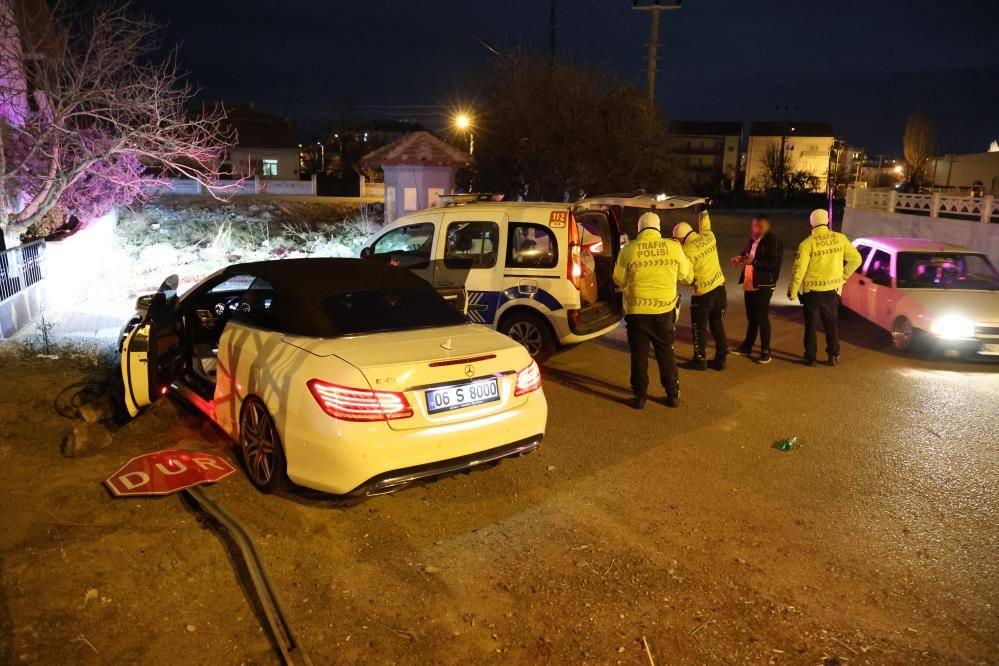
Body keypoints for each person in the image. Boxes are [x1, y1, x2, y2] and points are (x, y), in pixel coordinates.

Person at [613, 211, 691, 409]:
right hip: (664, 311)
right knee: (665, 353)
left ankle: (639, 396)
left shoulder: (629, 249)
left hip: (637, 312)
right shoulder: (672, 247)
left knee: (639, 354)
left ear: (639, 229)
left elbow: (618, 279)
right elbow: (686, 275)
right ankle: (672, 394)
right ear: (658, 227)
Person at [787, 209, 863, 366]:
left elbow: (798, 271)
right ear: (827, 221)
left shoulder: (807, 244)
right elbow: (856, 259)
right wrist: (843, 277)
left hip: (812, 293)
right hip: (832, 291)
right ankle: (833, 355)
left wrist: (792, 292)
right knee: (831, 324)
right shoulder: (840, 239)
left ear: (811, 223)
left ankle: (810, 357)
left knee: (811, 326)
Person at [673, 209, 727, 371]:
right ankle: (720, 359)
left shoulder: (686, 252)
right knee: (717, 324)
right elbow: (706, 226)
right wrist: (703, 212)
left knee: (699, 327)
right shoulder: (708, 237)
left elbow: (687, 278)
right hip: (719, 288)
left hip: (703, 294)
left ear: (681, 238)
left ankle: (699, 359)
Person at [730, 214, 784, 364]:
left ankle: (766, 351)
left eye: (759, 226)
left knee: (762, 318)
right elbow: (747, 254)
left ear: (767, 226)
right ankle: (747, 346)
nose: (755, 228)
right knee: (752, 318)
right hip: (749, 283)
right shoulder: (753, 240)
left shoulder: (774, 241)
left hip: (763, 285)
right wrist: (740, 258)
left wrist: (754, 261)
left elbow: (774, 263)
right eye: (754, 225)